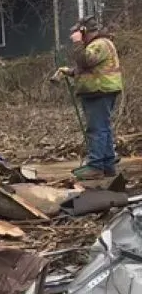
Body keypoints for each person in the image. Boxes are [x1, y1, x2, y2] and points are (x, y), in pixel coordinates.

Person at [52, 17, 123, 180]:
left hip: (100, 91)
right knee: (103, 128)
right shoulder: (97, 45)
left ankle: (96, 166)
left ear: (84, 31)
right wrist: (69, 72)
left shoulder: (100, 44)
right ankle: (107, 165)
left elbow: (86, 60)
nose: (75, 36)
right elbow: (88, 68)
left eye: (78, 32)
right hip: (99, 90)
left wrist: (77, 44)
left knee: (96, 129)